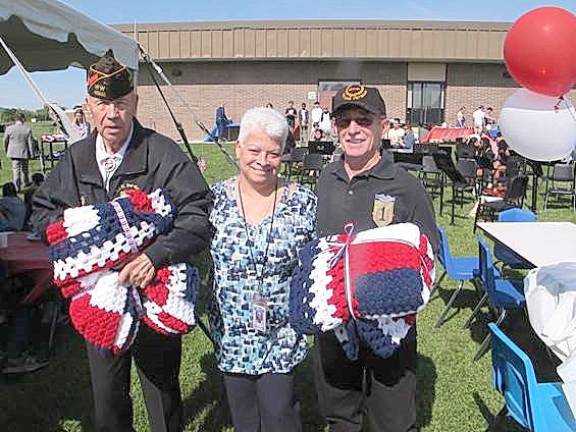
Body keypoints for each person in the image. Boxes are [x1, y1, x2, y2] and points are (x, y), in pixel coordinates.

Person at [31, 49, 214, 432]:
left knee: (161, 391)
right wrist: (88, 232)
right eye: (102, 104)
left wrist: (155, 255)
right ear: (88, 106)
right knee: (107, 399)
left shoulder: (162, 153)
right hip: (99, 298)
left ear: (134, 102)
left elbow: (198, 213)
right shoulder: (76, 159)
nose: (112, 114)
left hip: (155, 293)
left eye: (120, 103)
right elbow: (43, 214)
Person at [314, 84, 439, 432]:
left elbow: (430, 254)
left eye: (363, 120)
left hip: (390, 327)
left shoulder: (405, 186)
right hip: (335, 325)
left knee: (393, 421)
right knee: (340, 416)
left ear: (382, 127)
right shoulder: (326, 179)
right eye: (344, 121)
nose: (353, 129)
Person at [208, 107, 316, 432]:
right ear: (238, 148)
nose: (263, 160)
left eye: (273, 152)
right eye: (254, 150)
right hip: (231, 332)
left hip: (281, 332)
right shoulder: (213, 201)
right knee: (244, 420)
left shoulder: (305, 202)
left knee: (279, 414)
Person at [3, 113, 35, 192]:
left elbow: (5, 140)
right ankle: (26, 184)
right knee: (25, 170)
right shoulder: (27, 129)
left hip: (13, 152)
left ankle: (17, 188)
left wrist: (6, 149)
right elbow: (30, 143)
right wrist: (32, 153)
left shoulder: (9, 128)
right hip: (24, 152)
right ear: (23, 119)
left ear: (15, 119)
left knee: (16, 170)